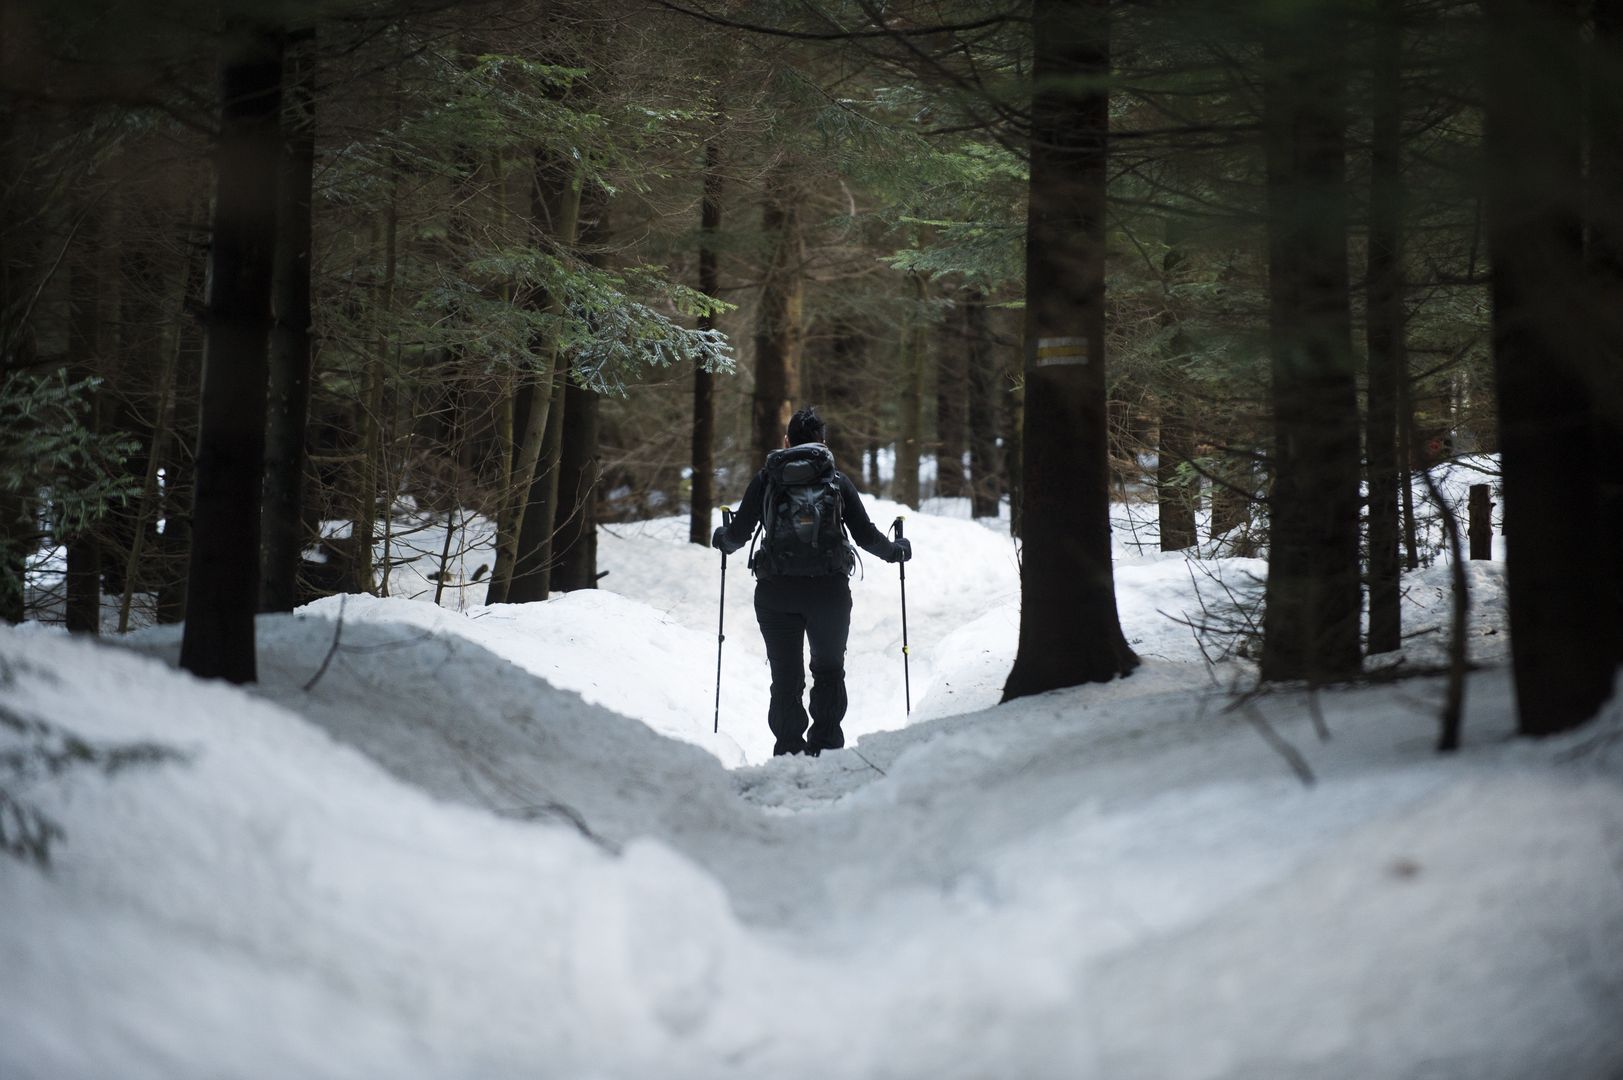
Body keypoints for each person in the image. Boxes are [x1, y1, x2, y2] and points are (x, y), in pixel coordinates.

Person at [712, 407, 912, 757]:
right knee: (829, 669)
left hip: (776, 594)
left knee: (786, 679)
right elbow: (865, 536)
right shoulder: (836, 480)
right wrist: (897, 551)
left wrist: (722, 537)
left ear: (786, 441)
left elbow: (737, 536)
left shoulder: (767, 479)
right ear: (823, 441)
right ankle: (826, 747)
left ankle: (789, 751)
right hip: (829, 593)